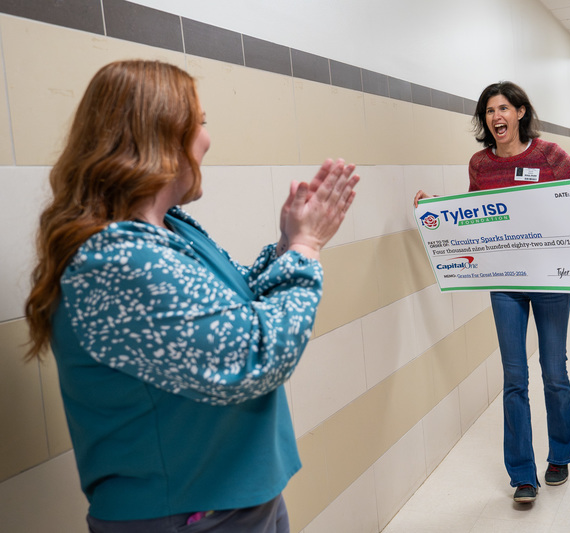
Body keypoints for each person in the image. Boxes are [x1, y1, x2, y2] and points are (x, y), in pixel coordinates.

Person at [23, 60, 359, 533]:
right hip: (185, 514)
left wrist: (288, 244)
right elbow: (254, 356)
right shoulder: (115, 260)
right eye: (200, 124)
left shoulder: (168, 231)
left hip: (232, 497)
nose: (207, 139)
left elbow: (234, 303)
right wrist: (306, 249)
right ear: (161, 136)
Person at [412, 81, 570, 504]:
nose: (495, 117)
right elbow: (474, 216)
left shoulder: (548, 154)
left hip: (552, 282)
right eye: (488, 111)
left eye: (503, 108)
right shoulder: (480, 164)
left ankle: (559, 454)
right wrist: (436, 211)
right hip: (506, 286)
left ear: (519, 112)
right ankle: (521, 474)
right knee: (514, 377)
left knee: (554, 372)